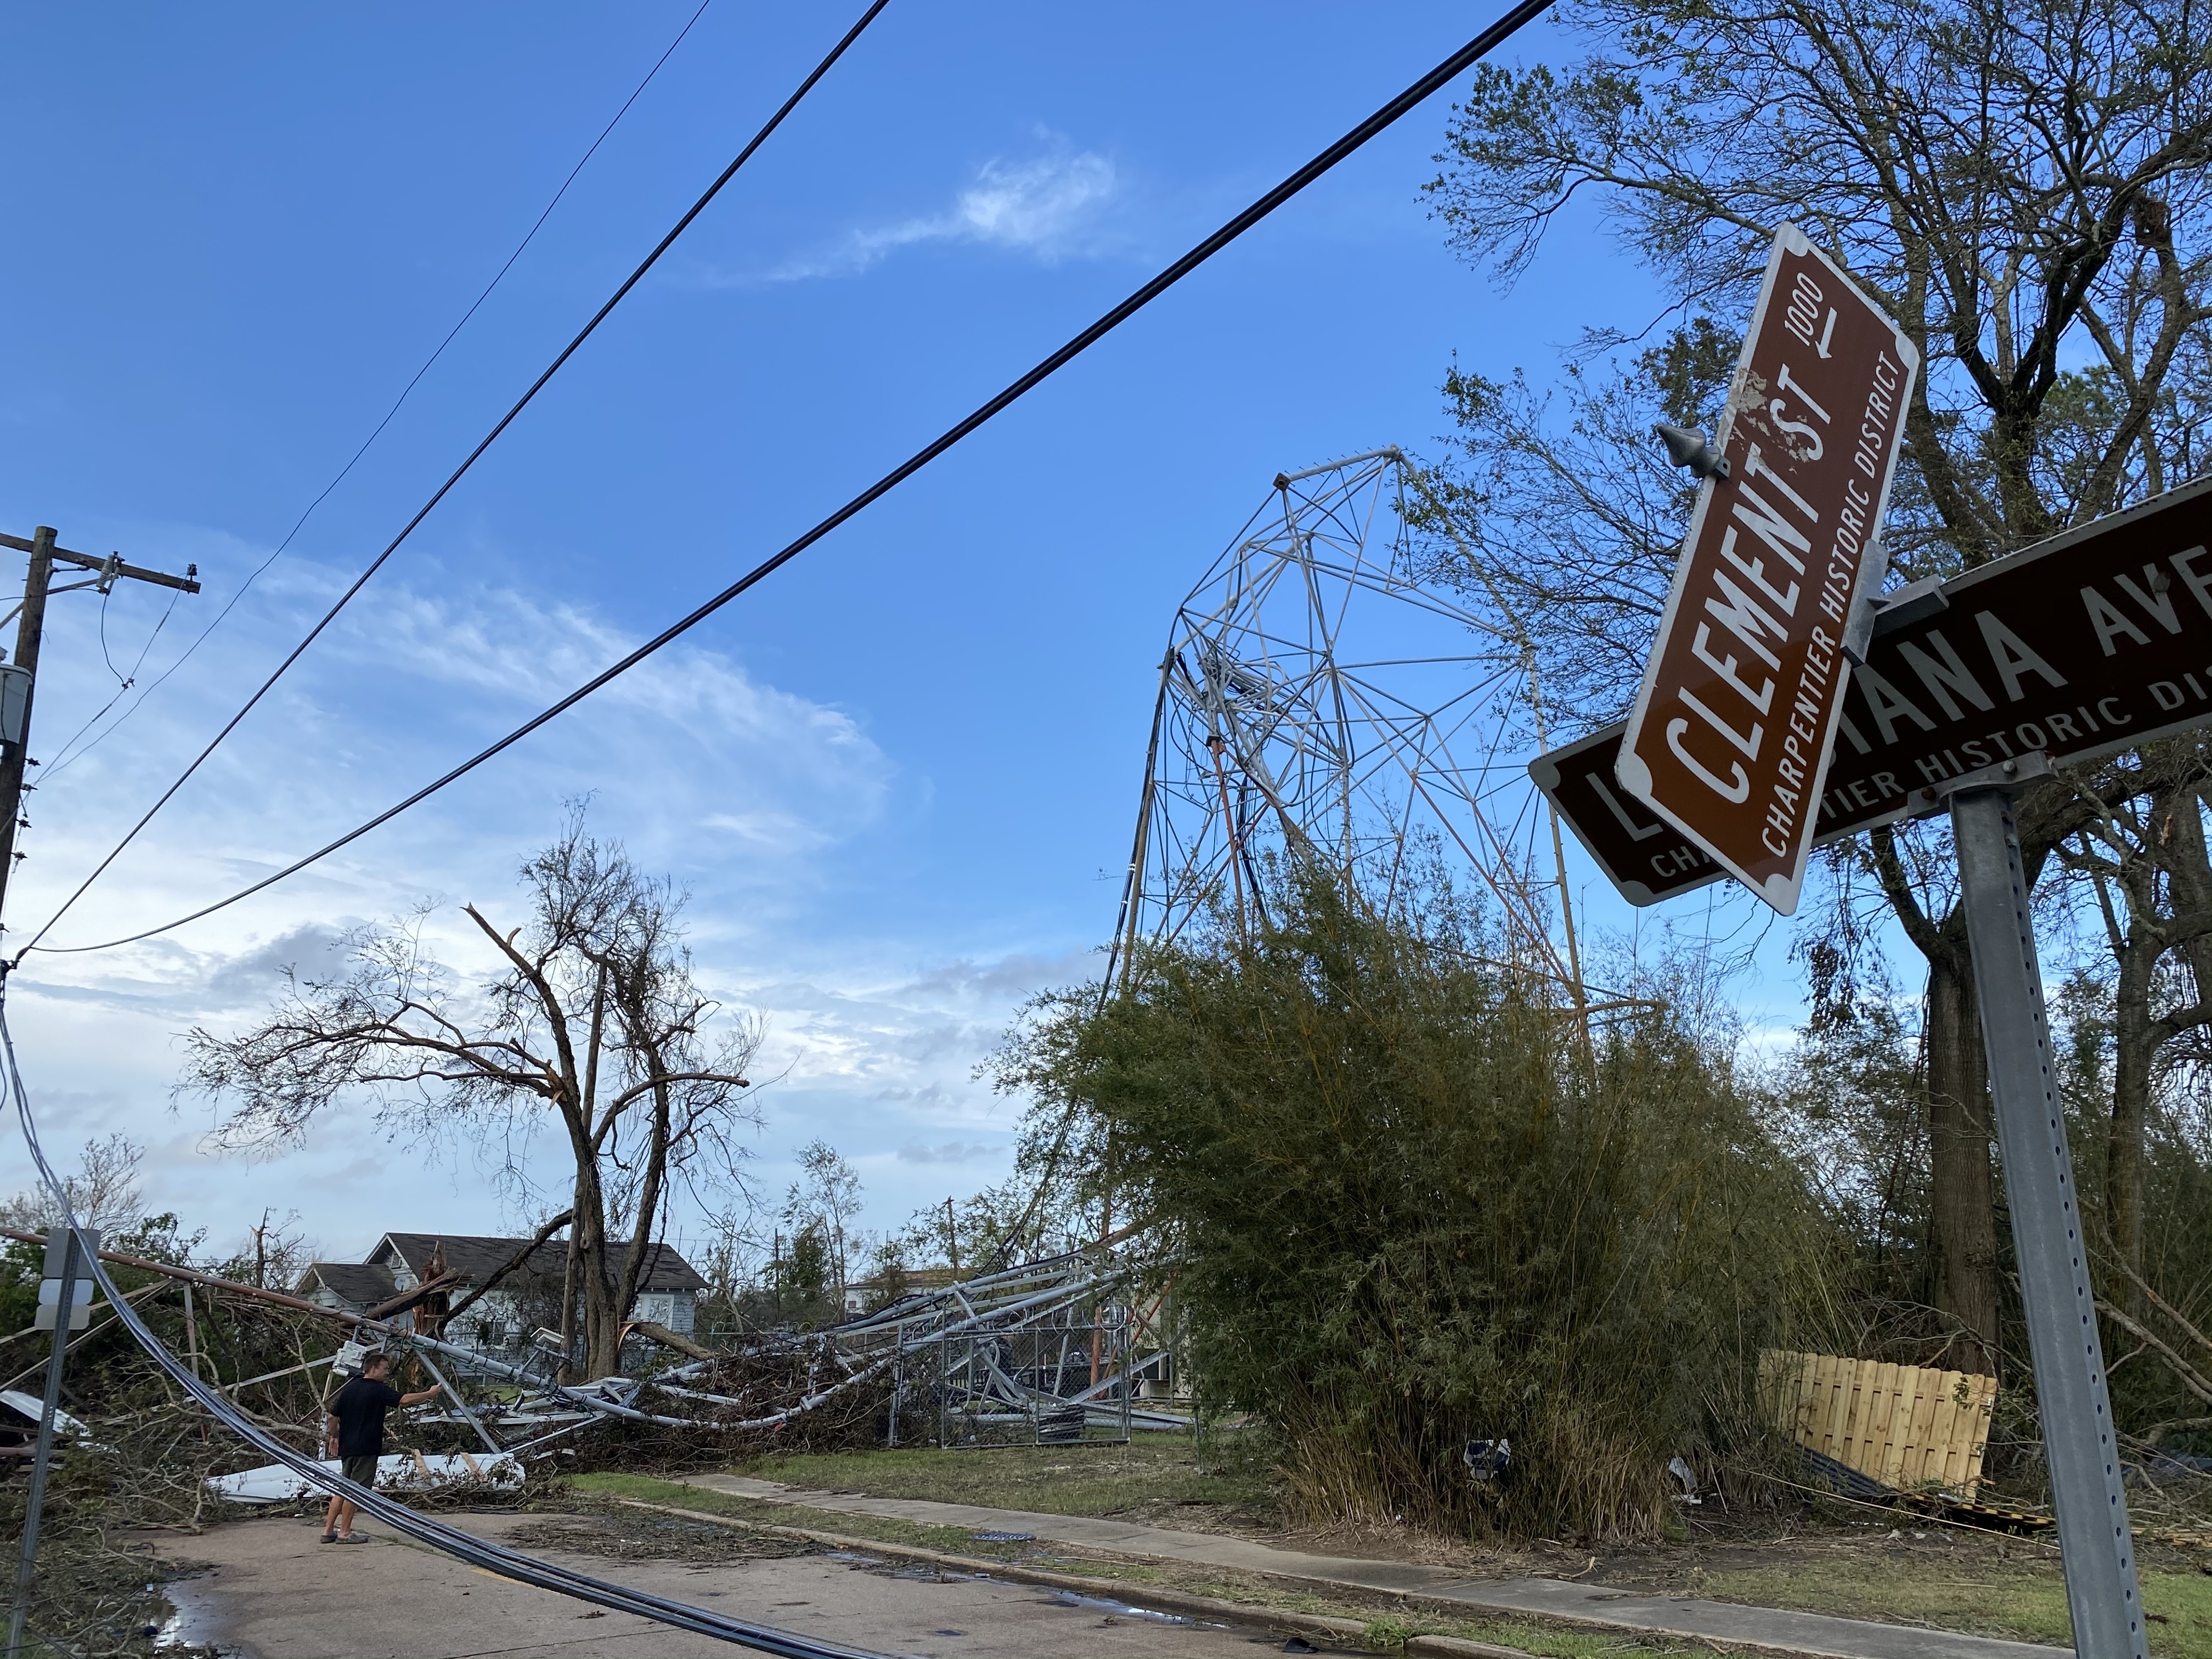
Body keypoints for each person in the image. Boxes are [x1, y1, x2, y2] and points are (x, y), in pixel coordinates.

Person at [321, 1350, 441, 1543]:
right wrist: (430, 1393)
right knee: (356, 1491)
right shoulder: (378, 1389)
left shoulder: (351, 1388)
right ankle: (345, 1533)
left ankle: (328, 1532)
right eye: (385, 1369)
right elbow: (404, 1400)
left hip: (348, 1448)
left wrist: (333, 1436)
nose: (387, 1373)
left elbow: (332, 1417)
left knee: (343, 1488)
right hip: (366, 1448)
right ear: (374, 1369)